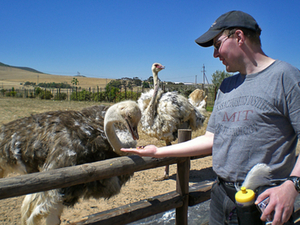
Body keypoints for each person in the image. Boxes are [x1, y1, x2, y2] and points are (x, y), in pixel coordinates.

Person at [122, 10, 300, 225]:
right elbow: (211, 139)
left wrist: (292, 186)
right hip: (221, 198)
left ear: (239, 38)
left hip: (265, 201)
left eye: (217, 45)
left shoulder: (286, 77)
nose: (215, 54)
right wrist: (158, 152)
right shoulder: (226, 86)